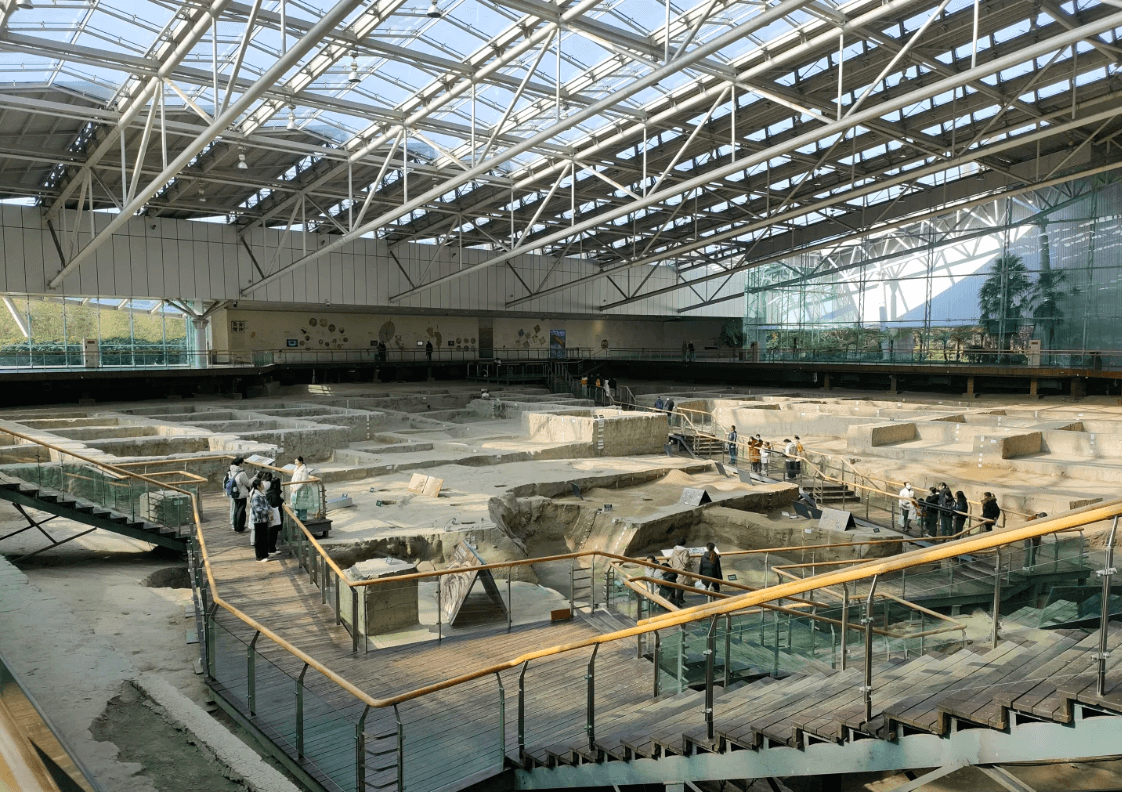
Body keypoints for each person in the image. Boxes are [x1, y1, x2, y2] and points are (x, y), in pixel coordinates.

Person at [250, 477, 272, 562]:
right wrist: (267, 511)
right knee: (259, 538)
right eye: (261, 484)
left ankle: (264, 554)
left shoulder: (262, 494)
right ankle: (259, 556)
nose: (263, 485)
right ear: (258, 486)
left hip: (264, 519)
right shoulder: (256, 496)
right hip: (259, 520)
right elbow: (257, 509)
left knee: (264, 537)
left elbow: (266, 504)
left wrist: (269, 509)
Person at [228, 457, 252, 534]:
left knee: (236, 510)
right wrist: (254, 478)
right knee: (241, 511)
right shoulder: (242, 473)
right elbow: (247, 483)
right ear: (240, 463)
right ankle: (240, 528)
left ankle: (235, 526)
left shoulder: (230, 471)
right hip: (241, 494)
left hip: (234, 493)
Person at [265, 471, 284, 555]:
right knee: (273, 533)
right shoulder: (274, 495)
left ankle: (271, 548)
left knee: (271, 533)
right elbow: (275, 504)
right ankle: (271, 549)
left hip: (270, 516)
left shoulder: (269, 492)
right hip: (274, 516)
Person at [291, 456, 314, 521]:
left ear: (301, 462)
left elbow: (303, 481)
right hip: (295, 489)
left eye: (297, 461)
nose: (296, 463)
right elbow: (293, 478)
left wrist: (297, 488)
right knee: (296, 504)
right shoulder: (296, 469)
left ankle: (303, 519)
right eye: (295, 461)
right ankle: (296, 518)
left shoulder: (304, 470)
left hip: (302, 490)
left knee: (302, 505)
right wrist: (291, 486)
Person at [669, 541, 689, 605]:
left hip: (674, 569)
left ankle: (672, 599)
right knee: (681, 585)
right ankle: (679, 599)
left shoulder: (674, 550)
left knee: (673, 584)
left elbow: (671, 559)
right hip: (681, 570)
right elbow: (685, 561)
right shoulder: (685, 551)